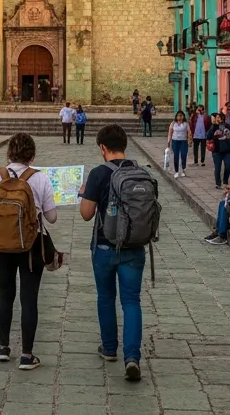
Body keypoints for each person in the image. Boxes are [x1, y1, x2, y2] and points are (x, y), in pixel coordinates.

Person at [0, 134, 59, 371]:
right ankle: (27, 354)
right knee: (29, 298)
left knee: (5, 294)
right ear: (32, 155)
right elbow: (52, 218)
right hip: (31, 246)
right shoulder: (40, 178)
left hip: (1, 246)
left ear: (9, 153)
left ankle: (3, 348)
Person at [79, 124, 147, 383]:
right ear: (124, 146)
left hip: (105, 247)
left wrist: (85, 192)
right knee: (131, 301)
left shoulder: (98, 174)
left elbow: (86, 215)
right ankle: (132, 358)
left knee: (106, 297)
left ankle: (109, 349)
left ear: (103, 148)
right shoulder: (139, 171)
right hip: (134, 247)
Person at [207, 112, 230, 189]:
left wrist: (228, 139)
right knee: (218, 167)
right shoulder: (213, 127)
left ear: (222, 118)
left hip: (227, 151)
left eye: (219, 117)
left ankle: (225, 180)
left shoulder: (228, 126)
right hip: (217, 151)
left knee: (228, 166)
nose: (217, 119)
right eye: (216, 118)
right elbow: (208, 136)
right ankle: (218, 183)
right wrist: (214, 126)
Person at [168, 110, 190, 178]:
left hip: (183, 141)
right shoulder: (173, 123)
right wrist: (168, 141)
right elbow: (170, 133)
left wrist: (190, 140)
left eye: (181, 115)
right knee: (176, 156)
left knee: (184, 155)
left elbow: (189, 132)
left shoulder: (186, 123)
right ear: (176, 116)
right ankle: (176, 171)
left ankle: (183, 169)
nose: (180, 117)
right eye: (179, 115)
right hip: (175, 141)